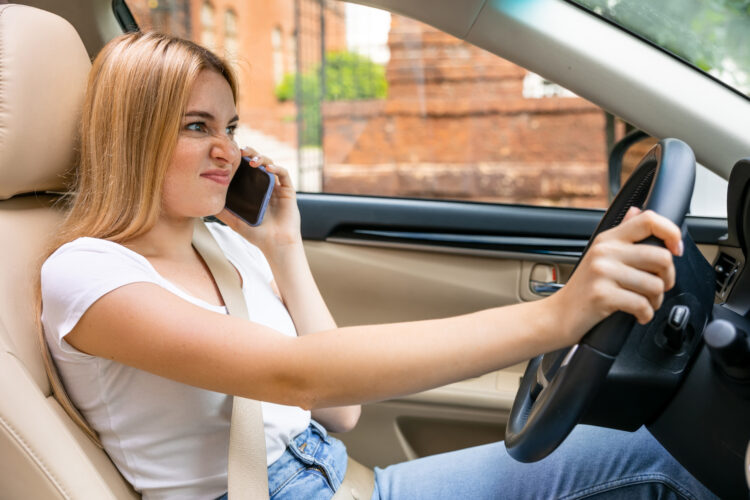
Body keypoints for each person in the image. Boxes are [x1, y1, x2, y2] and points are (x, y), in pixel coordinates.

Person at [38, 31, 716, 500]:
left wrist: (284, 248)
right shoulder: (89, 273)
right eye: (197, 126)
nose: (229, 152)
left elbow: (339, 411)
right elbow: (292, 374)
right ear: (132, 135)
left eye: (231, 127)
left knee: (652, 454)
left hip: (344, 476)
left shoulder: (223, 246)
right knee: (655, 467)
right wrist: (557, 316)